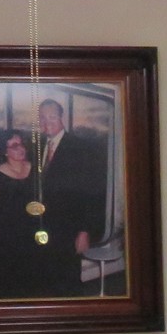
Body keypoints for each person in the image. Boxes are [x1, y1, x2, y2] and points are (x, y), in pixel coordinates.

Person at [30, 97, 107, 297]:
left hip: (69, 228)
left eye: (52, 117)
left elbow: (92, 193)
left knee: (69, 280)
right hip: (43, 226)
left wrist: (84, 231)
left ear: (62, 118)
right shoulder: (37, 147)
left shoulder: (81, 148)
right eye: (42, 118)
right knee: (46, 278)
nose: (47, 123)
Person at [0, 133, 46, 300]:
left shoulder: (36, 169)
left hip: (32, 231)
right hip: (5, 234)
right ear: (5, 151)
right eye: (14, 146)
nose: (20, 148)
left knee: (33, 275)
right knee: (7, 278)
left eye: (21, 144)